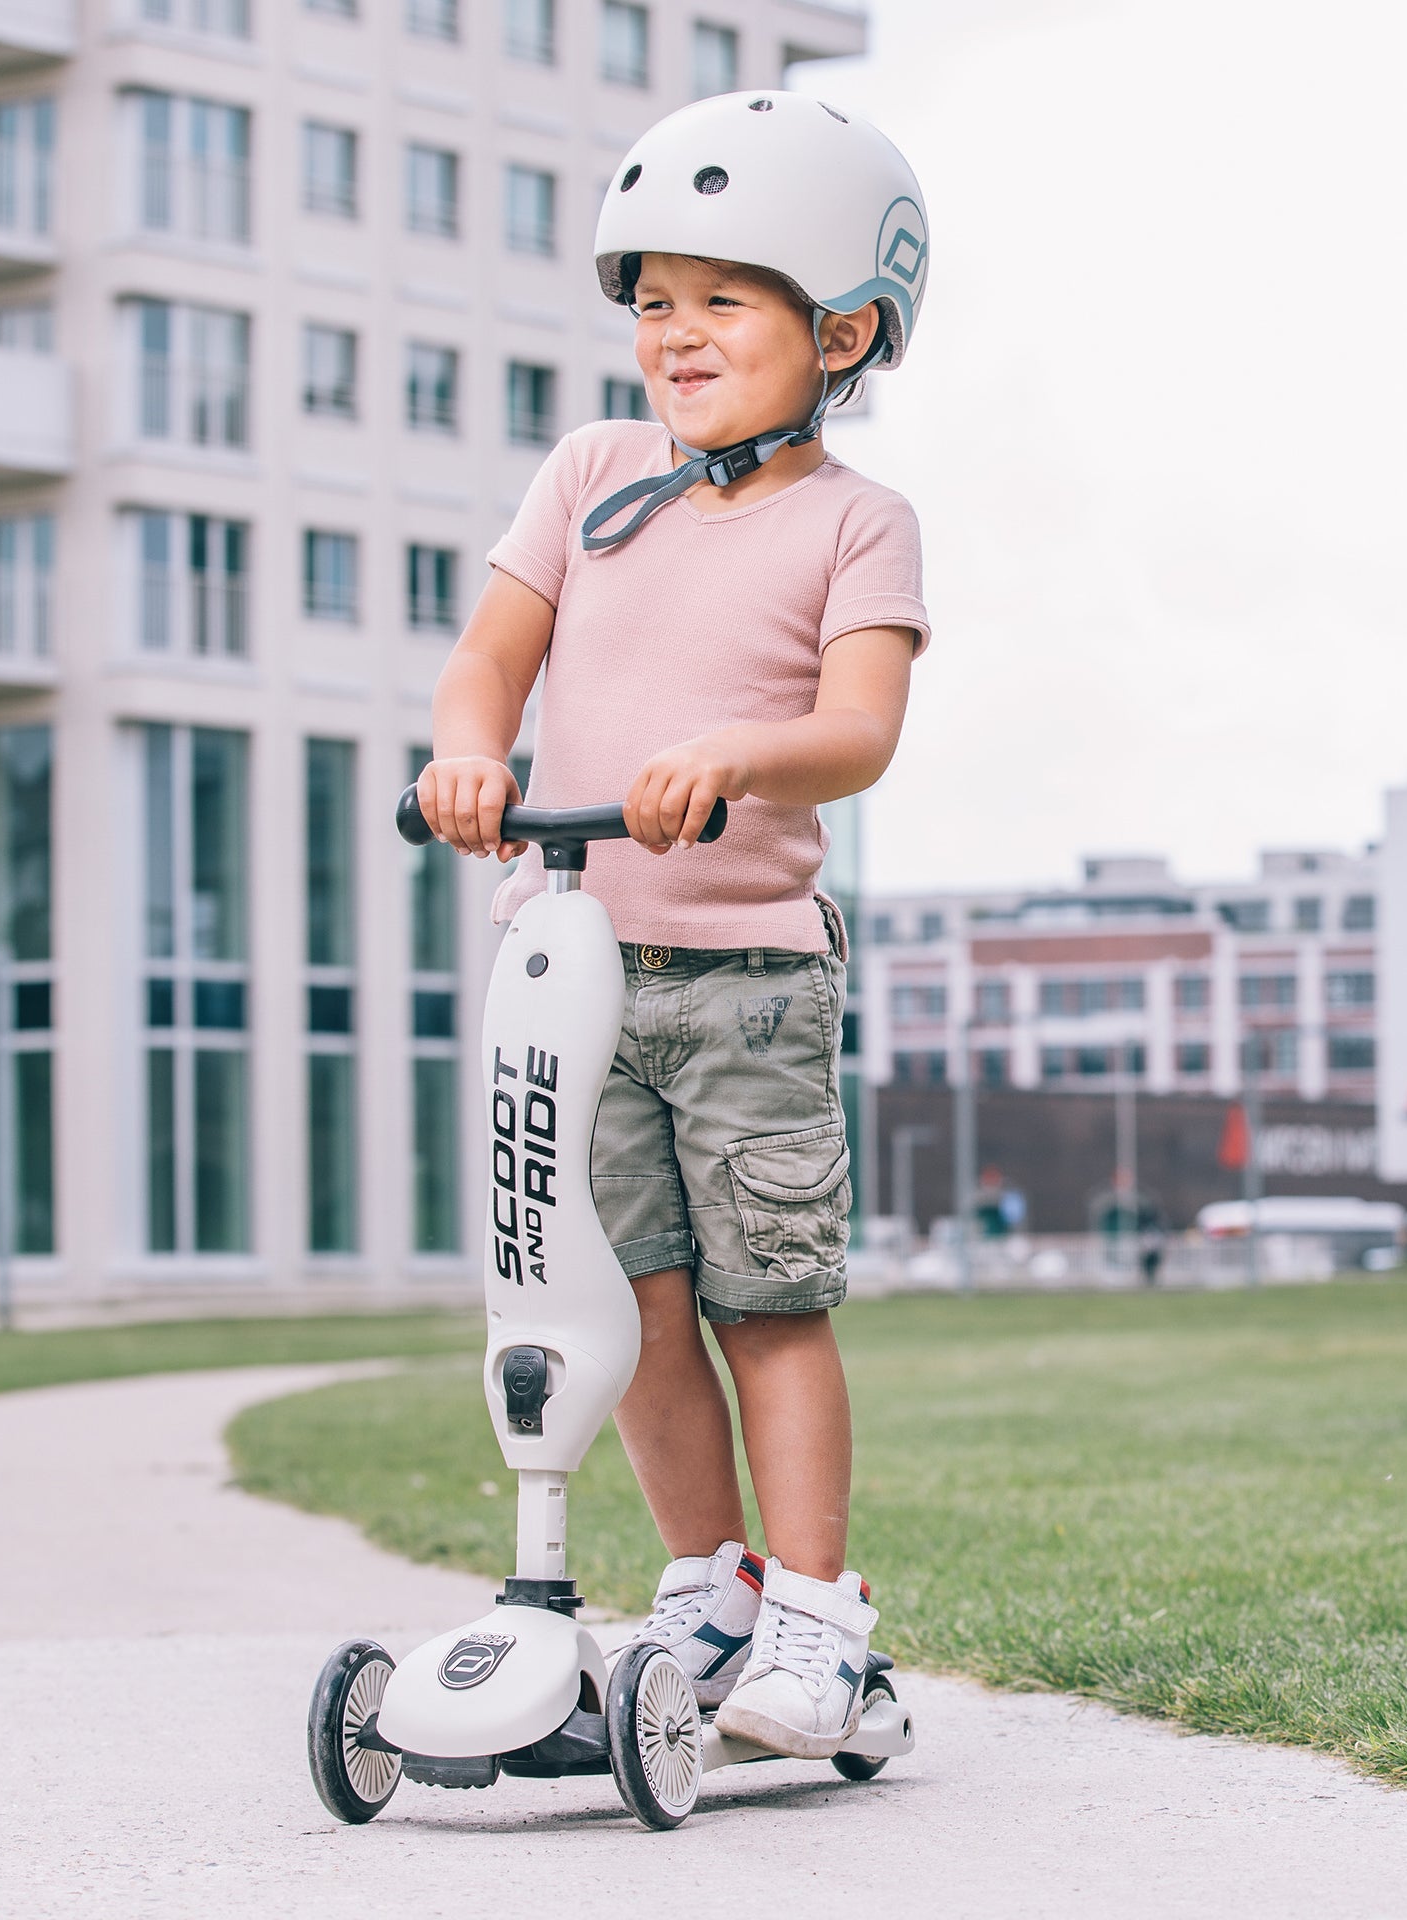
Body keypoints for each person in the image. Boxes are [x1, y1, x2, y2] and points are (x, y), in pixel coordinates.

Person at [414, 89, 929, 1761]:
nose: (677, 334)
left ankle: (814, 1623)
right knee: (622, 1309)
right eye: (654, 301)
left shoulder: (857, 523)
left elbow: (858, 731)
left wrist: (733, 754)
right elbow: (492, 655)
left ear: (842, 324)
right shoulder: (589, 476)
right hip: (566, 961)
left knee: (764, 1301)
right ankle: (705, 1586)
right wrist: (468, 750)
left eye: (726, 297)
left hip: (747, 979)